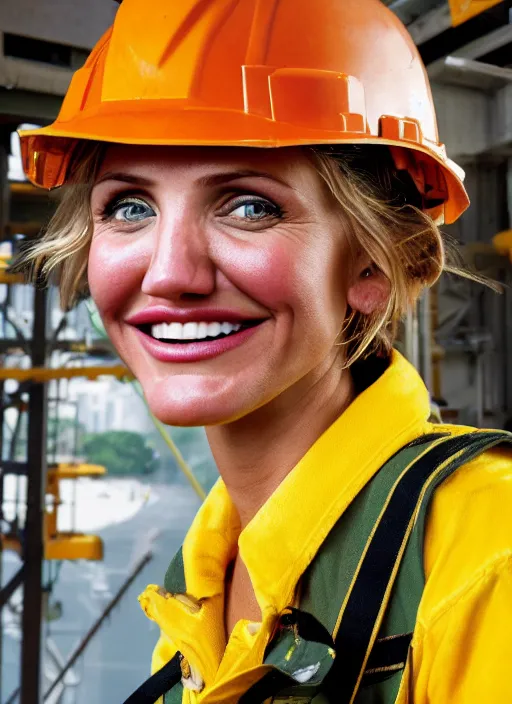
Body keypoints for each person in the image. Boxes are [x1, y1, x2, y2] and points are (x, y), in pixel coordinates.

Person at [16, 0, 512, 702]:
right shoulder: (204, 587)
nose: (169, 274)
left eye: (250, 206)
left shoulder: (488, 559)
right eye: (130, 206)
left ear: (375, 263)